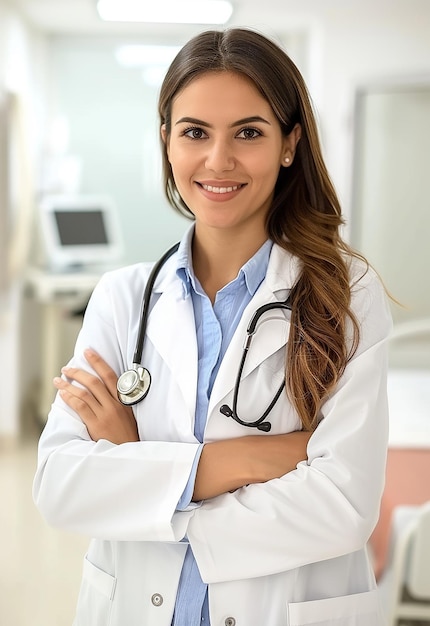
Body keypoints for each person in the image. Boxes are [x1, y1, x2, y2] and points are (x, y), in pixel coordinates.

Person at [33, 27, 392, 626]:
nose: (217, 160)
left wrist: (142, 469)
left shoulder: (344, 296)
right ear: (168, 143)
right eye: (195, 132)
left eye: (248, 133)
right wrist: (254, 458)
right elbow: (62, 485)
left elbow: (343, 504)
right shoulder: (124, 299)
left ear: (288, 144)